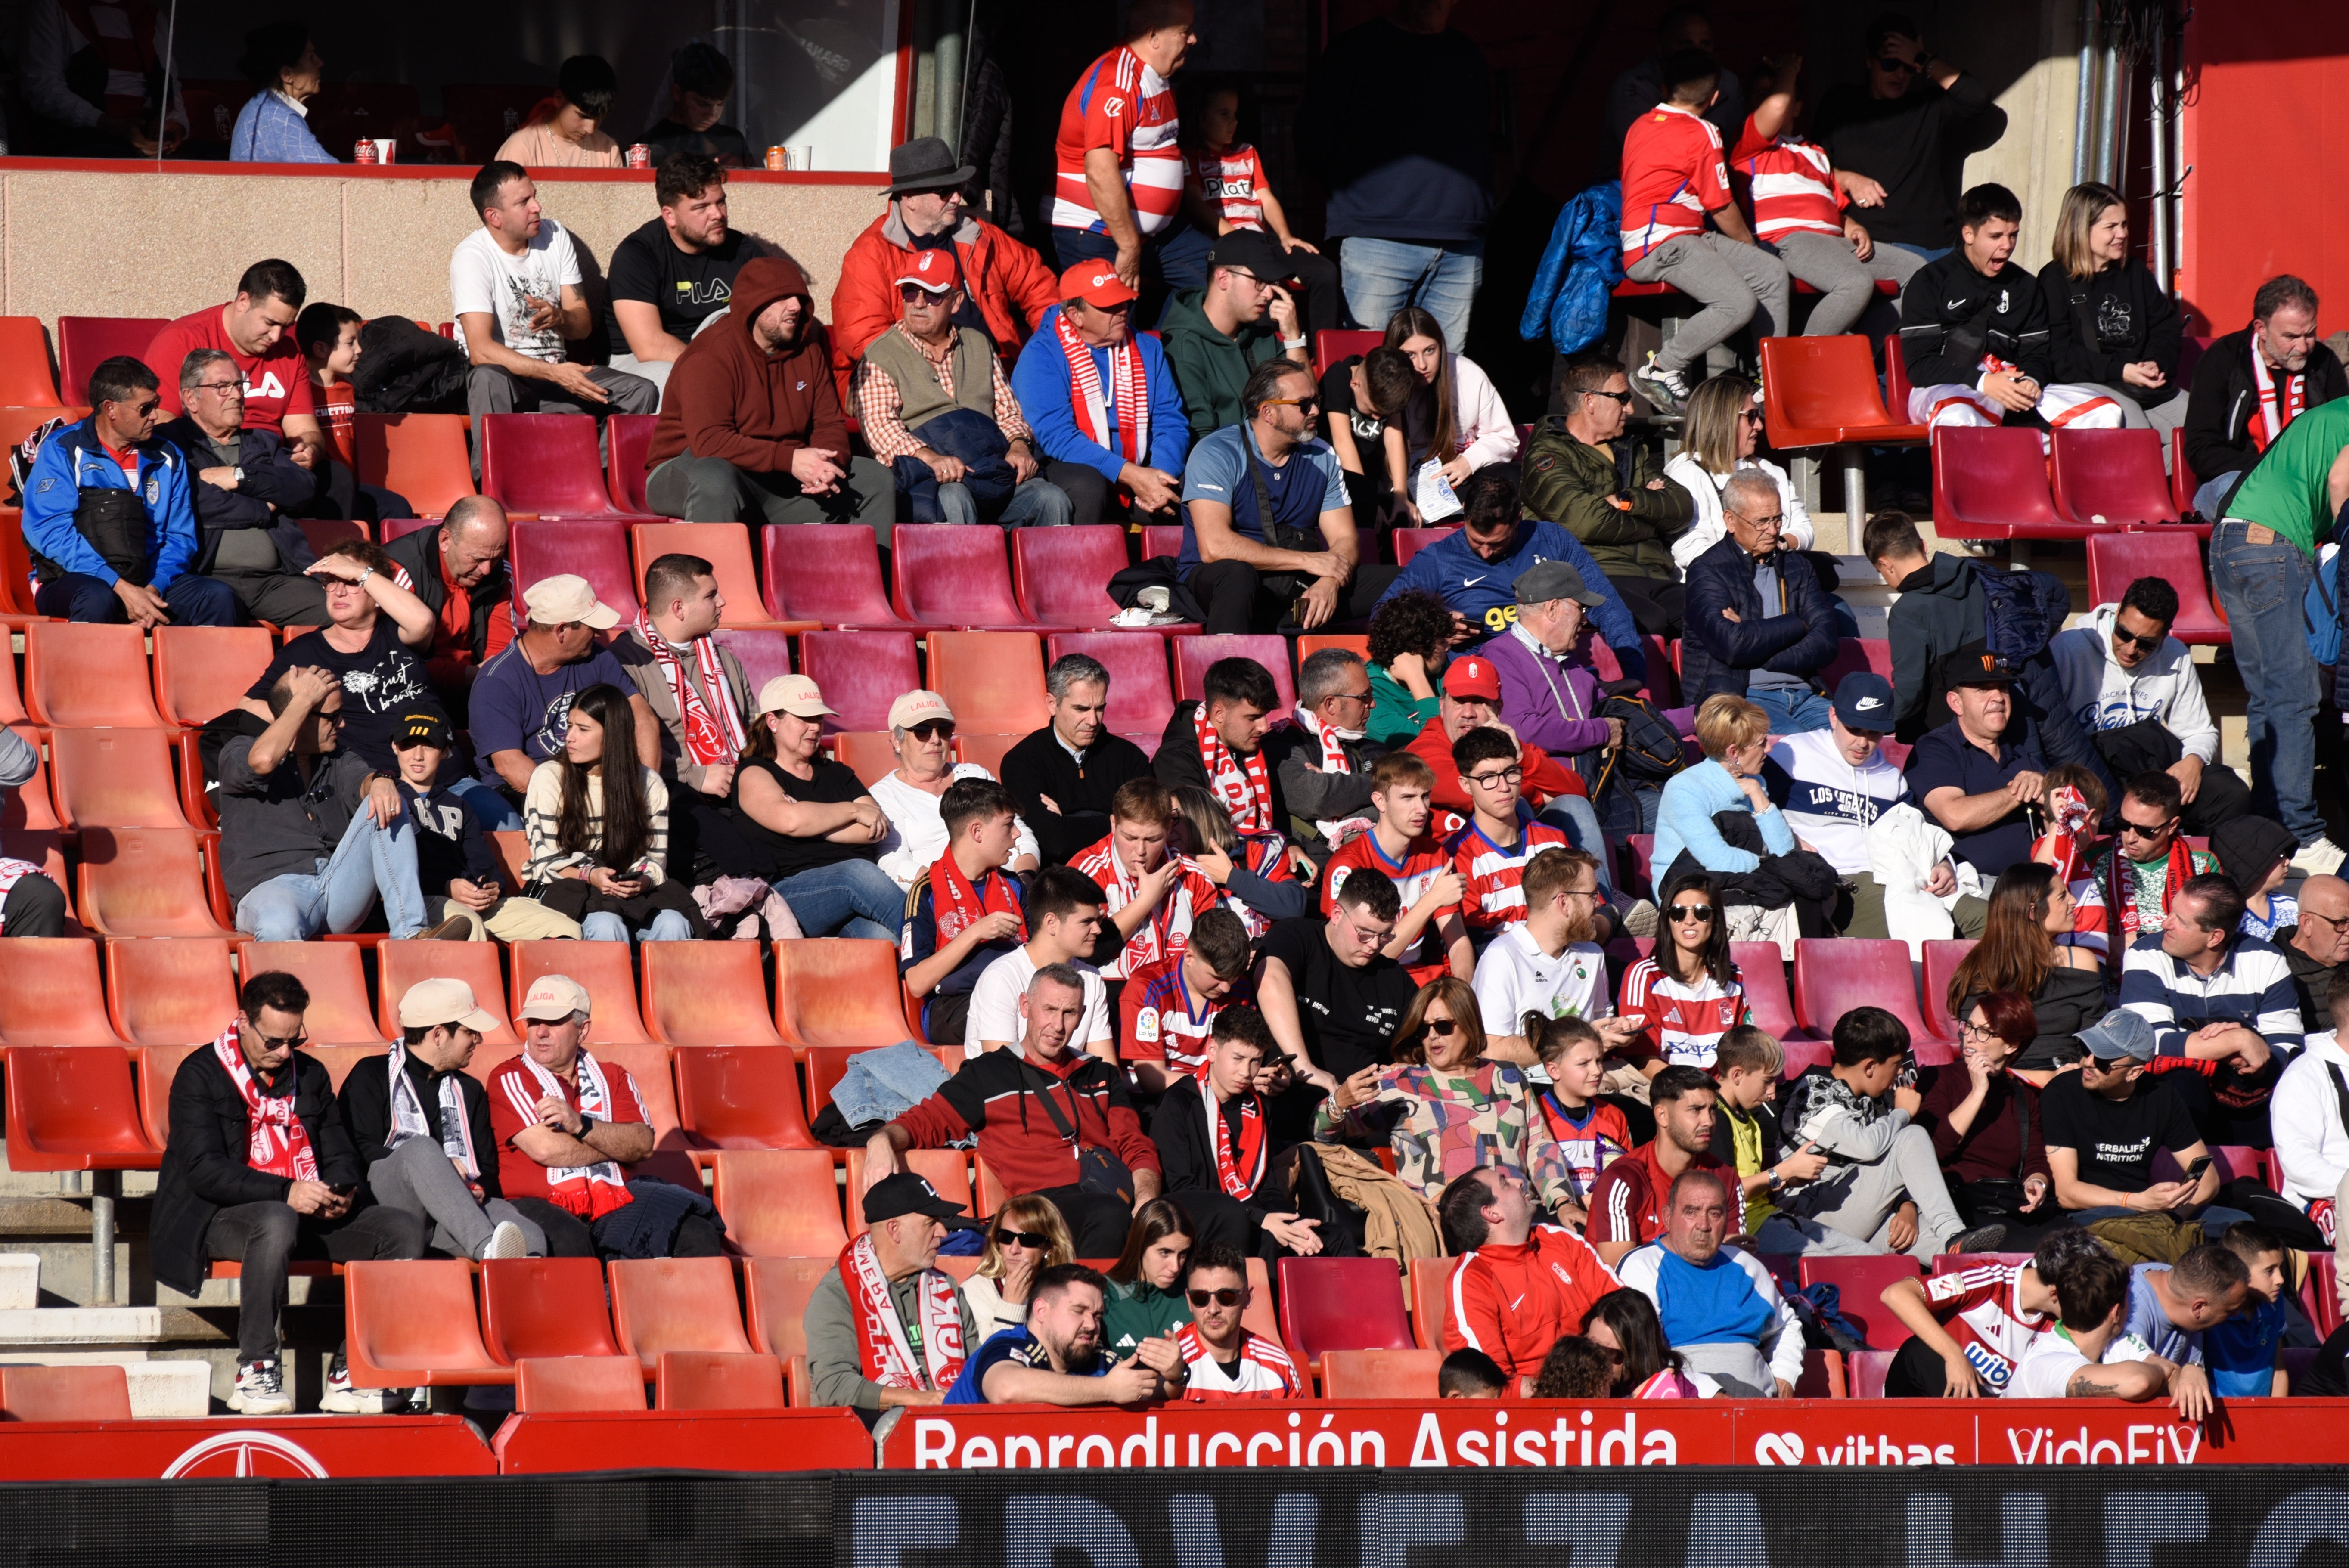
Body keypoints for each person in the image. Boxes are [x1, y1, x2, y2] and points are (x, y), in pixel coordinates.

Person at [150, 971, 426, 1416]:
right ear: (242, 1021)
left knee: (401, 1229)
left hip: (305, 1208)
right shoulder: (199, 1075)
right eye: (274, 1041)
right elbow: (204, 1172)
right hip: (220, 1215)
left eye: (293, 1041)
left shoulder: (310, 1075)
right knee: (276, 1218)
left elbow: (339, 1148)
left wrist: (341, 1190)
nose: (284, 1052)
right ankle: (256, 1368)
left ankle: (354, 1370)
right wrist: (287, 1191)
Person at [869, 962, 1162, 1256]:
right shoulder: (988, 1074)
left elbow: (1134, 1144)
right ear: (1025, 1006)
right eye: (1049, 1010)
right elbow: (926, 1121)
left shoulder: (1099, 1073)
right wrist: (882, 1139)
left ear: (1081, 1016)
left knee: (1192, 1213)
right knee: (1108, 1215)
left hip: (1106, 1192)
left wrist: (1146, 1201)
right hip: (1037, 1210)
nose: (1058, 1026)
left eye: (1069, 1013)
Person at [642, 254, 893, 540]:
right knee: (716, 477)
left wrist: (827, 465)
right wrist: (791, 460)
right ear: (753, 304)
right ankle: (714, 582)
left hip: (775, 475)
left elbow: (828, 424)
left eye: (799, 297)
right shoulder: (710, 354)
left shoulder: (807, 349)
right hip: (689, 470)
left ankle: (870, 582)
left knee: (875, 480)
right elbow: (709, 442)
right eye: (782, 298)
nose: (796, 307)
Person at [1863, 511, 2110, 791]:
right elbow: (2052, 593)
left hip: (1964, 741)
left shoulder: (1907, 612)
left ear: (1884, 564)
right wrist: (2020, 652)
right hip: (2017, 706)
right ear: (1922, 545)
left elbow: (1909, 690)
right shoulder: (1976, 573)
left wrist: (1873, 722)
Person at [2207, 390, 2349, 875]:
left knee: (2268, 694)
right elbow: (2339, 482)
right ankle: (2302, 834)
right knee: (2295, 694)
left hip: (2230, 541)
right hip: (2271, 545)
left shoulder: (2325, 415)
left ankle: (2270, 824)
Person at [488, 974, 725, 1260]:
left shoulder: (614, 1077)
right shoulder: (510, 1076)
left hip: (612, 1200)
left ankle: (655, 1304)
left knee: (695, 1232)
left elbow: (641, 1145)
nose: (540, 1032)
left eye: (552, 1022)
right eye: (533, 1022)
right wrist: (613, 1147)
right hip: (535, 1204)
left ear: (582, 1029)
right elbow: (547, 1149)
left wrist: (580, 1125)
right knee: (570, 1238)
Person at [1299, 0, 1493, 347]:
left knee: (1444, 376)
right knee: (1373, 369)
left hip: (1461, 243)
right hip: (1377, 240)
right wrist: (1362, 201)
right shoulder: (1355, 49)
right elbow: (1312, 138)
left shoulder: (1467, 53)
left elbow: (1484, 138)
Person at [1619, 49, 1792, 416]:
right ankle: (1659, 369)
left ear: (1665, 87)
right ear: (1714, 99)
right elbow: (1720, 207)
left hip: (1683, 236)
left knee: (1770, 272)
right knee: (1737, 302)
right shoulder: (1703, 131)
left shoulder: (1641, 123)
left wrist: (1752, 254)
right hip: (1660, 243)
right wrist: (1750, 243)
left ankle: (1770, 383)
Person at [1320, 976, 1579, 1212]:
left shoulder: (1508, 1076)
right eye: (1424, 1029)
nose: (1432, 1035)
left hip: (1517, 1216)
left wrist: (1563, 1202)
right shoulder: (1399, 1083)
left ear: (1469, 1024)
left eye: (1443, 1026)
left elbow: (1539, 1145)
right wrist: (1339, 1102)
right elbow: (1323, 1134)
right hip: (1441, 1222)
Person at [1176, 359, 1394, 635]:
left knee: (1405, 582)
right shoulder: (1216, 452)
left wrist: (1329, 581)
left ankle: (1299, 630)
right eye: (1304, 404)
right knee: (1237, 576)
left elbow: (1345, 539)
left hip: (1293, 583)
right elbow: (1214, 547)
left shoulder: (1321, 455)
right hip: (1222, 584)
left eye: (1317, 400)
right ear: (1268, 412)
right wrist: (1309, 561)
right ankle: (1230, 671)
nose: (1316, 410)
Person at [1767, 1006, 2005, 1258]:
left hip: (1861, 1211)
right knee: (1911, 1135)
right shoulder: (1811, 1093)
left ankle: (1963, 1250)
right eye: (1896, 1064)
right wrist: (1902, 1114)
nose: (1901, 1071)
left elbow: (1894, 1165)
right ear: (1870, 1067)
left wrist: (1907, 1206)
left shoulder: (1874, 1099)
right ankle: (1953, 1231)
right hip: (1813, 1216)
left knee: (1958, 1252)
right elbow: (1866, 1147)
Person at [850, 250, 1066, 527]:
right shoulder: (880, 354)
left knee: (1050, 497)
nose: (918, 303)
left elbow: (1008, 411)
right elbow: (881, 429)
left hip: (990, 470)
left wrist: (1019, 447)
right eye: (910, 292)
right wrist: (931, 458)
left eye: (932, 295)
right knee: (954, 497)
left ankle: (1048, 571)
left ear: (956, 302)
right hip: (927, 481)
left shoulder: (977, 343)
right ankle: (963, 571)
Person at [830, 135, 1061, 390]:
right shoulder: (870, 253)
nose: (955, 199)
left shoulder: (979, 236)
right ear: (909, 197)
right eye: (944, 192)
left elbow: (1040, 287)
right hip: (909, 381)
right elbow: (865, 335)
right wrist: (935, 374)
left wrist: (1050, 349)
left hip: (993, 371)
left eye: (958, 188)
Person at [336, 979, 540, 1264]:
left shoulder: (470, 1090)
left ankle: (512, 1296)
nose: (478, 1040)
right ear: (439, 1034)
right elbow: (355, 1149)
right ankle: (487, 1250)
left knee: (529, 1237)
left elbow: (487, 1170)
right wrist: (438, 1168)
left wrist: (477, 1188)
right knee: (422, 1150)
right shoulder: (371, 1074)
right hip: (390, 1206)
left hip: (455, 1215)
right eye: (471, 1032)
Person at [22, 356, 235, 627]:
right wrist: (119, 587)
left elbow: (180, 537)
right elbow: (50, 530)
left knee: (217, 597)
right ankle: (85, 671)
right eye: (145, 409)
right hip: (74, 578)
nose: (156, 416)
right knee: (98, 598)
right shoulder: (62, 449)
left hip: (147, 581)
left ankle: (200, 671)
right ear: (111, 409)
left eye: (156, 405)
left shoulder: (168, 456)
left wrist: (153, 590)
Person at [219, 668, 427, 942]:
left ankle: (411, 935)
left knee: (387, 797)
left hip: (337, 884)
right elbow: (264, 761)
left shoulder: (339, 758)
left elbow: (363, 782)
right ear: (300, 715)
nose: (341, 725)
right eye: (332, 717)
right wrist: (303, 700)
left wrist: (380, 780)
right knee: (280, 924)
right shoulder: (239, 750)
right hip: (271, 890)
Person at [1898, 184, 2123, 434]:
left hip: (2011, 387)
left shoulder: (2025, 285)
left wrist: (2031, 381)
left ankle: (2050, 472)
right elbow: (1920, 367)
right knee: (1960, 416)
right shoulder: (1930, 281)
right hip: (1948, 387)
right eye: (1996, 236)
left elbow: (2037, 355)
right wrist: (1983, 382)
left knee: (2105, 412)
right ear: (1968, 234)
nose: (2007, 245)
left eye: (2013, 235)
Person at [1377, 464, 1645, 672]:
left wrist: (1635, 673)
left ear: (1518, 519)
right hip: (1480, 681)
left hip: (1554, 676)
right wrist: (1436, 627)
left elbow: (1607, 607)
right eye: (1476, 541)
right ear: (1465, 511)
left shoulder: (1554, 541)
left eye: (1497, 543)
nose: (1485, 552)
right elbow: (1383, 616)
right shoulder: (1438, 559)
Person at [452, 163, 656, 434]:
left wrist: (560, 318)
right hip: (507, 381)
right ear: (495, 217)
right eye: (524, 202)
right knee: (488, 378)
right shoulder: (473, 256)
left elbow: (582, 328)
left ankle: (594, 472)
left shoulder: (555, 236)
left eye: (534, 196)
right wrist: (554, 373)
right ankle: (493, 475)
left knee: (640, 391)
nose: (537, 207)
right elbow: (480, 351)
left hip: (559, 376)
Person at [1728, 56, 1922, 337]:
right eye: (1764, 95)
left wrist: (1853, 227)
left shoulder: (1816, 153)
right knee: (1854, 284)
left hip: (1835, 244)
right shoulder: (1747, 144)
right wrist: (1789, 70)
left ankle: (1857, 354)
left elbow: (1831, 206)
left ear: (1797, 107)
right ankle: (1808, 360)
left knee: (1919, 277)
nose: (1776, 99)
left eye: (1783, 93)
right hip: (1790, 240)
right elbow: (1775, 107)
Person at [1763, 673, 1964, 939]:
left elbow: (1917, 834)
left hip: (1892, 878)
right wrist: (1790, 839)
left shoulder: (1891, 778)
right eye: (1855, 729)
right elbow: (1751, 811)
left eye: (1874, 732)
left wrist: (1943, 863)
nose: (1863, 743)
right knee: (1929, 932)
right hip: (1834, 883)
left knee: (1985, 920)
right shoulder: (1792, 754)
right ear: (1833, 716)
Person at [2050, 577, 2249, 833]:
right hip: (2092, 768)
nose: (2131, 649)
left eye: (2146, 644)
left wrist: (2194, 761)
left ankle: (2199, 868)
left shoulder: (2175, 655)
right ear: (2118, 611)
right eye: (2124, 633)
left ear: (2165, 635)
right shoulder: (2070, 648)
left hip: (2147, 774)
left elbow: (2200, 731)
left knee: (2230, 793)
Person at [1810, 13, 2008, 263]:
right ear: (1869, 60)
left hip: (1925, 247)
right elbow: (1809, 167)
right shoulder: (1841, 103)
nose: (1900, 75)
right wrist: (1846, 179)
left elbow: (1978, 98)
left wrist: (1923, 60)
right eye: (1891, 64)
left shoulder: (1930, 107)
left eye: (1907, 67)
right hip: (1861, 244)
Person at [1009, 262, 1190, 529]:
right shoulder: (1041, 354)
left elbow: (1170, 421)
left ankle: (1178, 571)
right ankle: (1083, 568)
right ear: (1075, 315)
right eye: (1109, 306)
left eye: (1124, 302)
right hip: (1068, 465)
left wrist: (1160, 477)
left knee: (1193, 489)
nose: (1122, 312)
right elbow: (1058, 438)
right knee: (1088, 486)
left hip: (1141, 470)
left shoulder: (1147, 348)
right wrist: (1129, 474)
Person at [1049, 0, 1211, 298]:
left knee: (1219, 278)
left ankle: (1168, 344)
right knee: (1111, 328)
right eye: (1185, 31)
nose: (1193, 39)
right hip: (1099, 233)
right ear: (1154, 36)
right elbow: (1100, 171)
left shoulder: (1156, 76)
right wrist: (1127, 245)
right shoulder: (1117, 84)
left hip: (1151, 236)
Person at [2119, 871, 2299, 1140]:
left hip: (2249, 1092)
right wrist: (2237, 1041)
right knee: (2183, 1081)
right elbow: (2144, 1042)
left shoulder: (2267, 958)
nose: (2165, 924)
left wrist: (2256, 1061)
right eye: (2170, 912)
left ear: (2214, 937)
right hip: (2177, 1096)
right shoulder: (2145, 954)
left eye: (2180, 921)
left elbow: (2289, 1046)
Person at [1524, 353, 1696, 633]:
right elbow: (1586, 521)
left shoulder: (1630, 449)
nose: (1629, 409)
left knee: (1716, 618)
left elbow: (1680, 507)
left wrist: (1627, 500)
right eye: (1622, 398)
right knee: (1651, 621)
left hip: (1656, 574)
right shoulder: (1547, 453)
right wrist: (1652, 519)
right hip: (1594, 577)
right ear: (1590, 401)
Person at [155, 348, 327, 626]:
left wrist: (239, 476)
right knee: (218, 601)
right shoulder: (171, 444)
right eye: (223, 387)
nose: (236, 395)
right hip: (205, 577)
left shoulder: (262, 442)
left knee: (340, 611)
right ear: (190, 398)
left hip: (273, 582)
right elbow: (193, 502)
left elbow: (302, 487)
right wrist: (263, 507)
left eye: (239, 385)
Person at [521, 682, 701, 945]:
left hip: (628, 896)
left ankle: (670, 988)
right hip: (568, 893)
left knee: (674, 923)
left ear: (613, 735)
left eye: (583, 729)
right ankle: (610, 988)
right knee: (606, 923)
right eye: (569, 726)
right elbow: (545, 863)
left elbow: (654, 861)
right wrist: (590, 875)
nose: (569, 737)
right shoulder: (549, 778)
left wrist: (641, 881)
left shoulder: (648, 783)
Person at [724, 675, 900, 942]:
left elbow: (874, 829)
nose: (816, 728)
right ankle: (944, 941)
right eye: (804, 719)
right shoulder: (754, 773)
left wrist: (811, 821)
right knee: (855, 873)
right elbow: (790, 821)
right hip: (790, 895)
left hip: (853, 897)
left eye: (818, 719)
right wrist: (850, 811)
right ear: (773, 722)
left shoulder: (837, 773)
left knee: (883, 940)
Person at [2040, 1009, 2247, 1235]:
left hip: (2149, 1211)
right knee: (2125, 1234)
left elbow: (2207, 1179)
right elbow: (2066, 1192)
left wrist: (2173, 1217)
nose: (2089, 1063)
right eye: (2087, 1050)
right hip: (2089, 1212)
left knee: (2243, 1228)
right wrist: (2135, 1201)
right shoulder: (2062, 1093)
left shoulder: (2161, 1096)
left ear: (2134, 1073)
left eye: (2103, 1060)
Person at [613, 552, 755, 874]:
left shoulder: (723, 660)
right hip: (674, 791)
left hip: (737, 784)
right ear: (679, 608)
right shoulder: (625, 662)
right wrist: (696, 774)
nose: (722, 602)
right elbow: (625, 745)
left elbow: (753, 729)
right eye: (711, 595)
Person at [469, 575, 657, 817]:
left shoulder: (596, 658)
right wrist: (585, 808)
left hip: (597, 781)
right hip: (532, 792)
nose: (600, 634)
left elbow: (642, 718)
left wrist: (643, 792)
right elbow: (510, 766)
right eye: (591, 627)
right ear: (562, 631)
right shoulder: (496, 682)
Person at [1151, 1003, 1326, 1261]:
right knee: (1263, 1239)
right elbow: (1181, 1189)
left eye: (1256, 1061)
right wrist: (1260, 1218)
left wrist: (1288, 1222)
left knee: (1326, 1236)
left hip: (1250, 1213)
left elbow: (1265, 1186)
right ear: (1212, 1050)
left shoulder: (1256, 1107)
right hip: (1201, 1220)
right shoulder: (1179, 1104)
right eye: (1238, 1059)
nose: (1246, 1072)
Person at [1176, 77, 1344, 341]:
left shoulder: (1247, 152)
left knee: (1325, 272)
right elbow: (1195, 204)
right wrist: (1233, 237)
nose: (1234, 122)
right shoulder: (1188, 157)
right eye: (1224, 114)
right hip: (1225, 243)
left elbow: (1266, 199)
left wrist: (1286, 236)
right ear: (1200, 116)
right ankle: (1268, 359)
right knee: (1261, 280)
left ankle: (1324, 354)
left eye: (1236, 115)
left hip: (1261, 239)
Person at [387, 709, 577, 942]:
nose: (418, 755)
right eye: (409, 745)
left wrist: (493, 887)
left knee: (566, 928)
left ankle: (548, 980)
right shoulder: (388, 798)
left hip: (473, 903)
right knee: (469, 925)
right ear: (395, 747)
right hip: (419, 902)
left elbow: (485, 866)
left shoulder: (460, 806)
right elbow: (389, 873)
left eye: (429, 746)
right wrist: (446, 887)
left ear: (445, 751)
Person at [803, 1171, 981, 1418]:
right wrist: (919, 1401)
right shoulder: (837, 1294)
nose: (944, 1232)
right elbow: (833, 1385)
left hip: (947, 1429)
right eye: (931, 1223)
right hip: (866, 1435)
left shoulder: (946, 1288)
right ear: (895, 1230)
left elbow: (977, 1370)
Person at [1614, 1168, 1805, 1396]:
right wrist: (1706, 1392)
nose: (1704, 1225)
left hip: (1760, 1407)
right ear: (1667, 1217)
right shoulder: (1643, 1266)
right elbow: (1642, 1357)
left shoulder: (1745, 1265)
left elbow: (1787, 1326)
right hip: (1684, 1409)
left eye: (1715, 1213)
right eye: (1691, 1212)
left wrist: (1785, 1376)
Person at [1678, 471, 1842, 730]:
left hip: (1807, 696)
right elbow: (1732, 645)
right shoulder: (1708, 570)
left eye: (1778, 519)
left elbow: (1825, 643)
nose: (1774, 530)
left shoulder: (1798, 567)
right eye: (1762, 522)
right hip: (1740, 700)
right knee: (1798, 747)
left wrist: (1753, 643)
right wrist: (1798, 623)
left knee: (1847, 742)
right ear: (1731, 521)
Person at [147, 260, 331, 479]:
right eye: (270, 323)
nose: (276, 337)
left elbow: (304, 429)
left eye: (285, 327)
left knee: (337, 479)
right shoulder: (182, 340)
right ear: (243, 301)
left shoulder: (289, 352)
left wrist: (310, 450)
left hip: (270, 457)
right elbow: (161, 422)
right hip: (205, 455)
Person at [1437, 1163, 1621, 1380]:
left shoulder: (1560, 1240)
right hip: (1535, 1407)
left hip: (1605, 1385)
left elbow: (1623, 1312)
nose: (1520, 1182)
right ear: (1492, 1213)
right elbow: (1491, 1383)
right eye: (1505, 1184)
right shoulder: (1472, 1280)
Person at [2182, 274, 2344, 518]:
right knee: (2244, 495)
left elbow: (2343, 434)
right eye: (2291, 337)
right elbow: (2201, 451)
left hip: (2309, 483)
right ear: (2262, 329)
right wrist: (2270, 469)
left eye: (2310, 334)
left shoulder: (2324, 362)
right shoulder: (2222, 361)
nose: (2303, 347)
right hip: (2235, 479)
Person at [605, 155, 767, 397]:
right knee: (689, 383)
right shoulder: (637, 255)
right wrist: (713, 368)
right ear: (670, 215)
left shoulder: (743, 251)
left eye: (720, 202)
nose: (718, 215)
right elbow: (649, 345)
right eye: (702, 207)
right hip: (638, 362)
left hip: (719, 356)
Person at [2038, 182, 2188, 443]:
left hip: (2144, 386)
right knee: (2138, 437)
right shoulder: (2056, 280)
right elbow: (2061, 355)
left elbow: (2166, 327)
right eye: (2111, 227)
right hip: (2090, 385)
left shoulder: (2135, 273)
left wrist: (2155, 362)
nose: (2122, 234)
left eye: (2125, 225)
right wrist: (2120, 370)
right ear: (2081, 231)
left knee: (2205, 431)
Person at [1875, 1227, 2100, 1397]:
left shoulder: (2061, 1322)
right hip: (1931, 1397)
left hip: (2000, 1420)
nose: (2089, 1306)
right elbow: (1896, 1294)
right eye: (2084, 1296)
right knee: (1918, 1351)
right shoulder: (1990, 1280)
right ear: (2055, 1294)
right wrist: (1954, 1355)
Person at [1255, 867, 1420, 1093]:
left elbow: (1423, 1041)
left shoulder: (1395, 979)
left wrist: (1402, 1070)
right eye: (1365, 933)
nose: (1374, 945)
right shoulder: (1297, 937)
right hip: (1291, 1094)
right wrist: (1305, 1067)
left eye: (1385, 936)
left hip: (1365, 1110)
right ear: (1337, 915)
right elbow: (1270, 979)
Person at [1919, 993, 2060, 1249]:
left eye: (1984, 1032)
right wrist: (1977, 1092)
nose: (1969, 1037)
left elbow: (2035, 1158)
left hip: (2005, 1203)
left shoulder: (2024, 1096)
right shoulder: (1938, 1078)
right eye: (1968, 1026)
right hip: (1959, 1205)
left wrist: (2036, 1182)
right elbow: (1934, 1149)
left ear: (2011, 1046)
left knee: (2077, 1244)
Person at [1471, 849, 1634, 1065]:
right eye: (1593, 895)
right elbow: (1492, 1050)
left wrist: (1614, 1030)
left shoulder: (1592, 954)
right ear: (1564, 903)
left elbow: (1599, 1020)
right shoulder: (1502, 957)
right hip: (1525, 1088)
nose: (1598, 904)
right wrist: (1584, 1042)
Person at [899, 777, 1030, 1046]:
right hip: (953, 1007)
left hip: (1019, 993)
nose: (1017, 834)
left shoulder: (1015, 885)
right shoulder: (926, 891)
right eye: (1008, 825)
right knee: (1007, 1013)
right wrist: (975, 933)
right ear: (977, 832)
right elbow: (916, 982)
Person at [1320, 753, 1471, 985]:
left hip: (1422, 980)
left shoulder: (1434, 854)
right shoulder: (1349, 865)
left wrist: (1463, 996)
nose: (1421, 809)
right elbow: (1368, 958)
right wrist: (1431, 901)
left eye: (1425, 797)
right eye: (1408, 798)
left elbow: (1458, 941)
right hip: (1368, 983)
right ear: (1380, 801)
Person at [871, 691, 1038, 892]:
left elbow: (1018, 833)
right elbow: (893, 861)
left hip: (1007, 887)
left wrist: (1025, 881)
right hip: (938, 895)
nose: (935, 739)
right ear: (897, 741)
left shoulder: (975, 775)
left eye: (943, 729)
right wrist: (956, 890)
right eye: (922, 730)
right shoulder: (884, 795)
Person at [999, 653, 1154, 867]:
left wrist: (1066, 823)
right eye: (1081, 709)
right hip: (1059, 887)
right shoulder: (1022, 762)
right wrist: (1117, 824)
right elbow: (1055, 842)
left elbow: (1151, 827)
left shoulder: (1130, 758)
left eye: (1100, 708)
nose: (1093, 721)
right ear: (1052, 704)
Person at [1905, 653, 2050, 882]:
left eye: (2003, 688)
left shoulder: (2024, 759)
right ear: (1956, 703)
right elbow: (1955, 816)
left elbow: (2063, 825)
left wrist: (2054, 803)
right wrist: (2020, 794)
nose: (1999, 697)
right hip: (1967, 886)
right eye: (1983, 689)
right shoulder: (1936, 748)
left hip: (2031, 886)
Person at [944, 1263, 1177, 1405]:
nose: (1091, 1325)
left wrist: (1176, 1375)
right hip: (958, 1481)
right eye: (1079, 1311)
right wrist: (1107, 1389)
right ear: (1041, 1310)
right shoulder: (1008, 1345)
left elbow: (1153, 1391)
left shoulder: (1097, 1359)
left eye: (1097, 1316)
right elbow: (1007, 1390)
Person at [1071, 776, 1224, 983]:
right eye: (1130, 838)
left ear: (1169, 829)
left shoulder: (1193, 876)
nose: (1140, 851)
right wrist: (1146, 901)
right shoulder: (1086, 873)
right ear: (1114, 824)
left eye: (1153, 839)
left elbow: (1214, 950)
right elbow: (1076, 952)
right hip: (1108, 992)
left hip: (1177, 992)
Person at [1653, 694, 1797, 909]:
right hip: (1686, 891)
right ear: (1734, 752)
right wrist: (1772, 867)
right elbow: (1719, 861)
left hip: (1743, 882)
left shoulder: (1756, 782)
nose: (1769, 749)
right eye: (1761, 743)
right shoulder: (1685, 788)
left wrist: (1758, 794)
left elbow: (1784, 850)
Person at [1160, 229, 1307, 438]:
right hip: (1227, 465)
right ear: (1223, 278)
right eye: (1258, 281)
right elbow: (1200, 439)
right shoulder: (1183, 344)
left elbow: (1305, 408)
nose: (1268, 293)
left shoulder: (1263, 336)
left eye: (1271, 283)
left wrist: (1294, 338)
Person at [1663, 373, 1818, 569]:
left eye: (1758, 415)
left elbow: (1804, 529)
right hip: (1718, 590)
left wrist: (1778, 545)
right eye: (1751, 417)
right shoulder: (1687, 475)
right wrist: (1750, 558)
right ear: (1722, 420)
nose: (1760, 425)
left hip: (1772, 581)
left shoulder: (1769, 471)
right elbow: (1689, 549)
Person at [1585, 1065, 1736, 1265]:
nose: (1708, 1121)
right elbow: (1621, 1274)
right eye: (1696, 1110)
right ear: (1662, 1116)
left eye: (1712, 1110)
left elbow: (1731, 1262)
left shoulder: (1725, 1178)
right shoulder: (1623, 1180)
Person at [1446, 725, 1586, 938]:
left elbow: (1584, 916)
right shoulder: (1457, 856)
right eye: (1488, 777)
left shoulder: (1554, 841)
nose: (1504, 787)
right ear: (1466, 785)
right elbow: (1473, 945)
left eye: (1511, 773)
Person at [962, 867, 1115, 1061]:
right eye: (1087, 922)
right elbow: (1001, 1073)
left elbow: (1105, 1070)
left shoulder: (1091, 979)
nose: (1097, 930)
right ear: (1051, 922)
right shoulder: (1001, 978)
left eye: (1098, 920)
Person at [382, 498, 513, 725]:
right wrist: (467, 676)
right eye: (477, 558)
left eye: (495, 557)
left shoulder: (498, 573)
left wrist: (483, 677)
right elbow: (393, 662)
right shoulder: (398, 570)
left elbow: (501, 652)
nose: (486, 569)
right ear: (445, 540)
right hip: (411, 693)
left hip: (476, 687)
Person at [1384, 307, 1520, 507]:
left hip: (1463, 472)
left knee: (1518, 476)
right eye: (1410, 355)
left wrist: (1469, 462)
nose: (1422, 365)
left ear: (1441, 347)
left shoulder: (1467, 374)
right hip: (1409, 482)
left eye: (1430, 351)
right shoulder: (1384, 383)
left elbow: (1505, 438)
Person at [1620, 870, 1750, 1071]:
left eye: (1702, 912)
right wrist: (1695, 1093)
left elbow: (1744, 1053)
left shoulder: (1734, 976)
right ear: (1668, 920)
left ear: (1716, 919)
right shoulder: (1643, 974)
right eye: (1679, 913)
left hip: (1717, 1092)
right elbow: (1641, 1059)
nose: (1689, 921)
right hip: (1666, 1089)